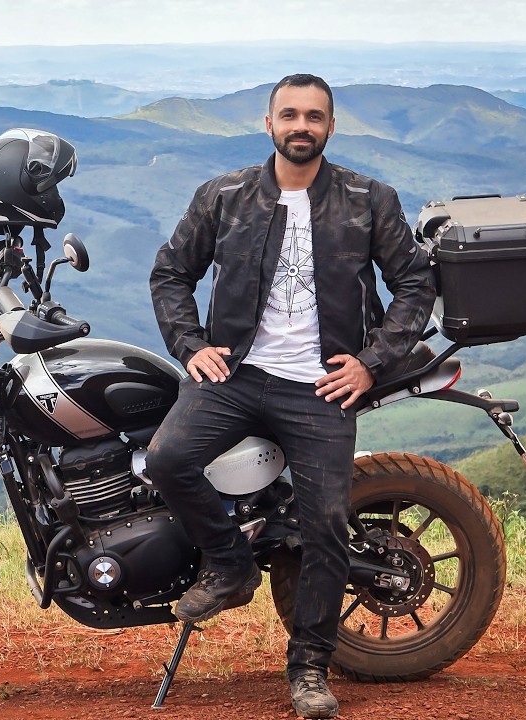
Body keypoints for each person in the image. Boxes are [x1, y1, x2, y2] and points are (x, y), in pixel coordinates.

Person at [146, 73, 436, 719]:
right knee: (167, 458)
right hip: (237, 375)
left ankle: (308, 668)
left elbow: (415, 285)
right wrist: (190, 344)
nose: (300, 125)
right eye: (289, 115)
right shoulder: (223, 196)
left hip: (320, 387)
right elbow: (171, 272)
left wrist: (370, 362)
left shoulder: (369, 199)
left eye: (313, 116)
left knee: (326, 524)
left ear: (329, 127)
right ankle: (230, 566)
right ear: (269, 123)